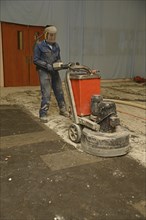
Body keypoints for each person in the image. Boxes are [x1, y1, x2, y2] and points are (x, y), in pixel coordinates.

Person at [33, 25, 69, 123]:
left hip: (54, 71)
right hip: (44, 71)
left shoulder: (56, 45)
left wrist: (60, 64)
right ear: (46, 34)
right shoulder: (39, 46)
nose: (53, 37)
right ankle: (43, 114)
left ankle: (63, 109)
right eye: (51, 35)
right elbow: (35, 60)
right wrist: (46, 65)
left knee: (59, 90)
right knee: (47, 93)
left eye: (54, 35)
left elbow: (58, 58)